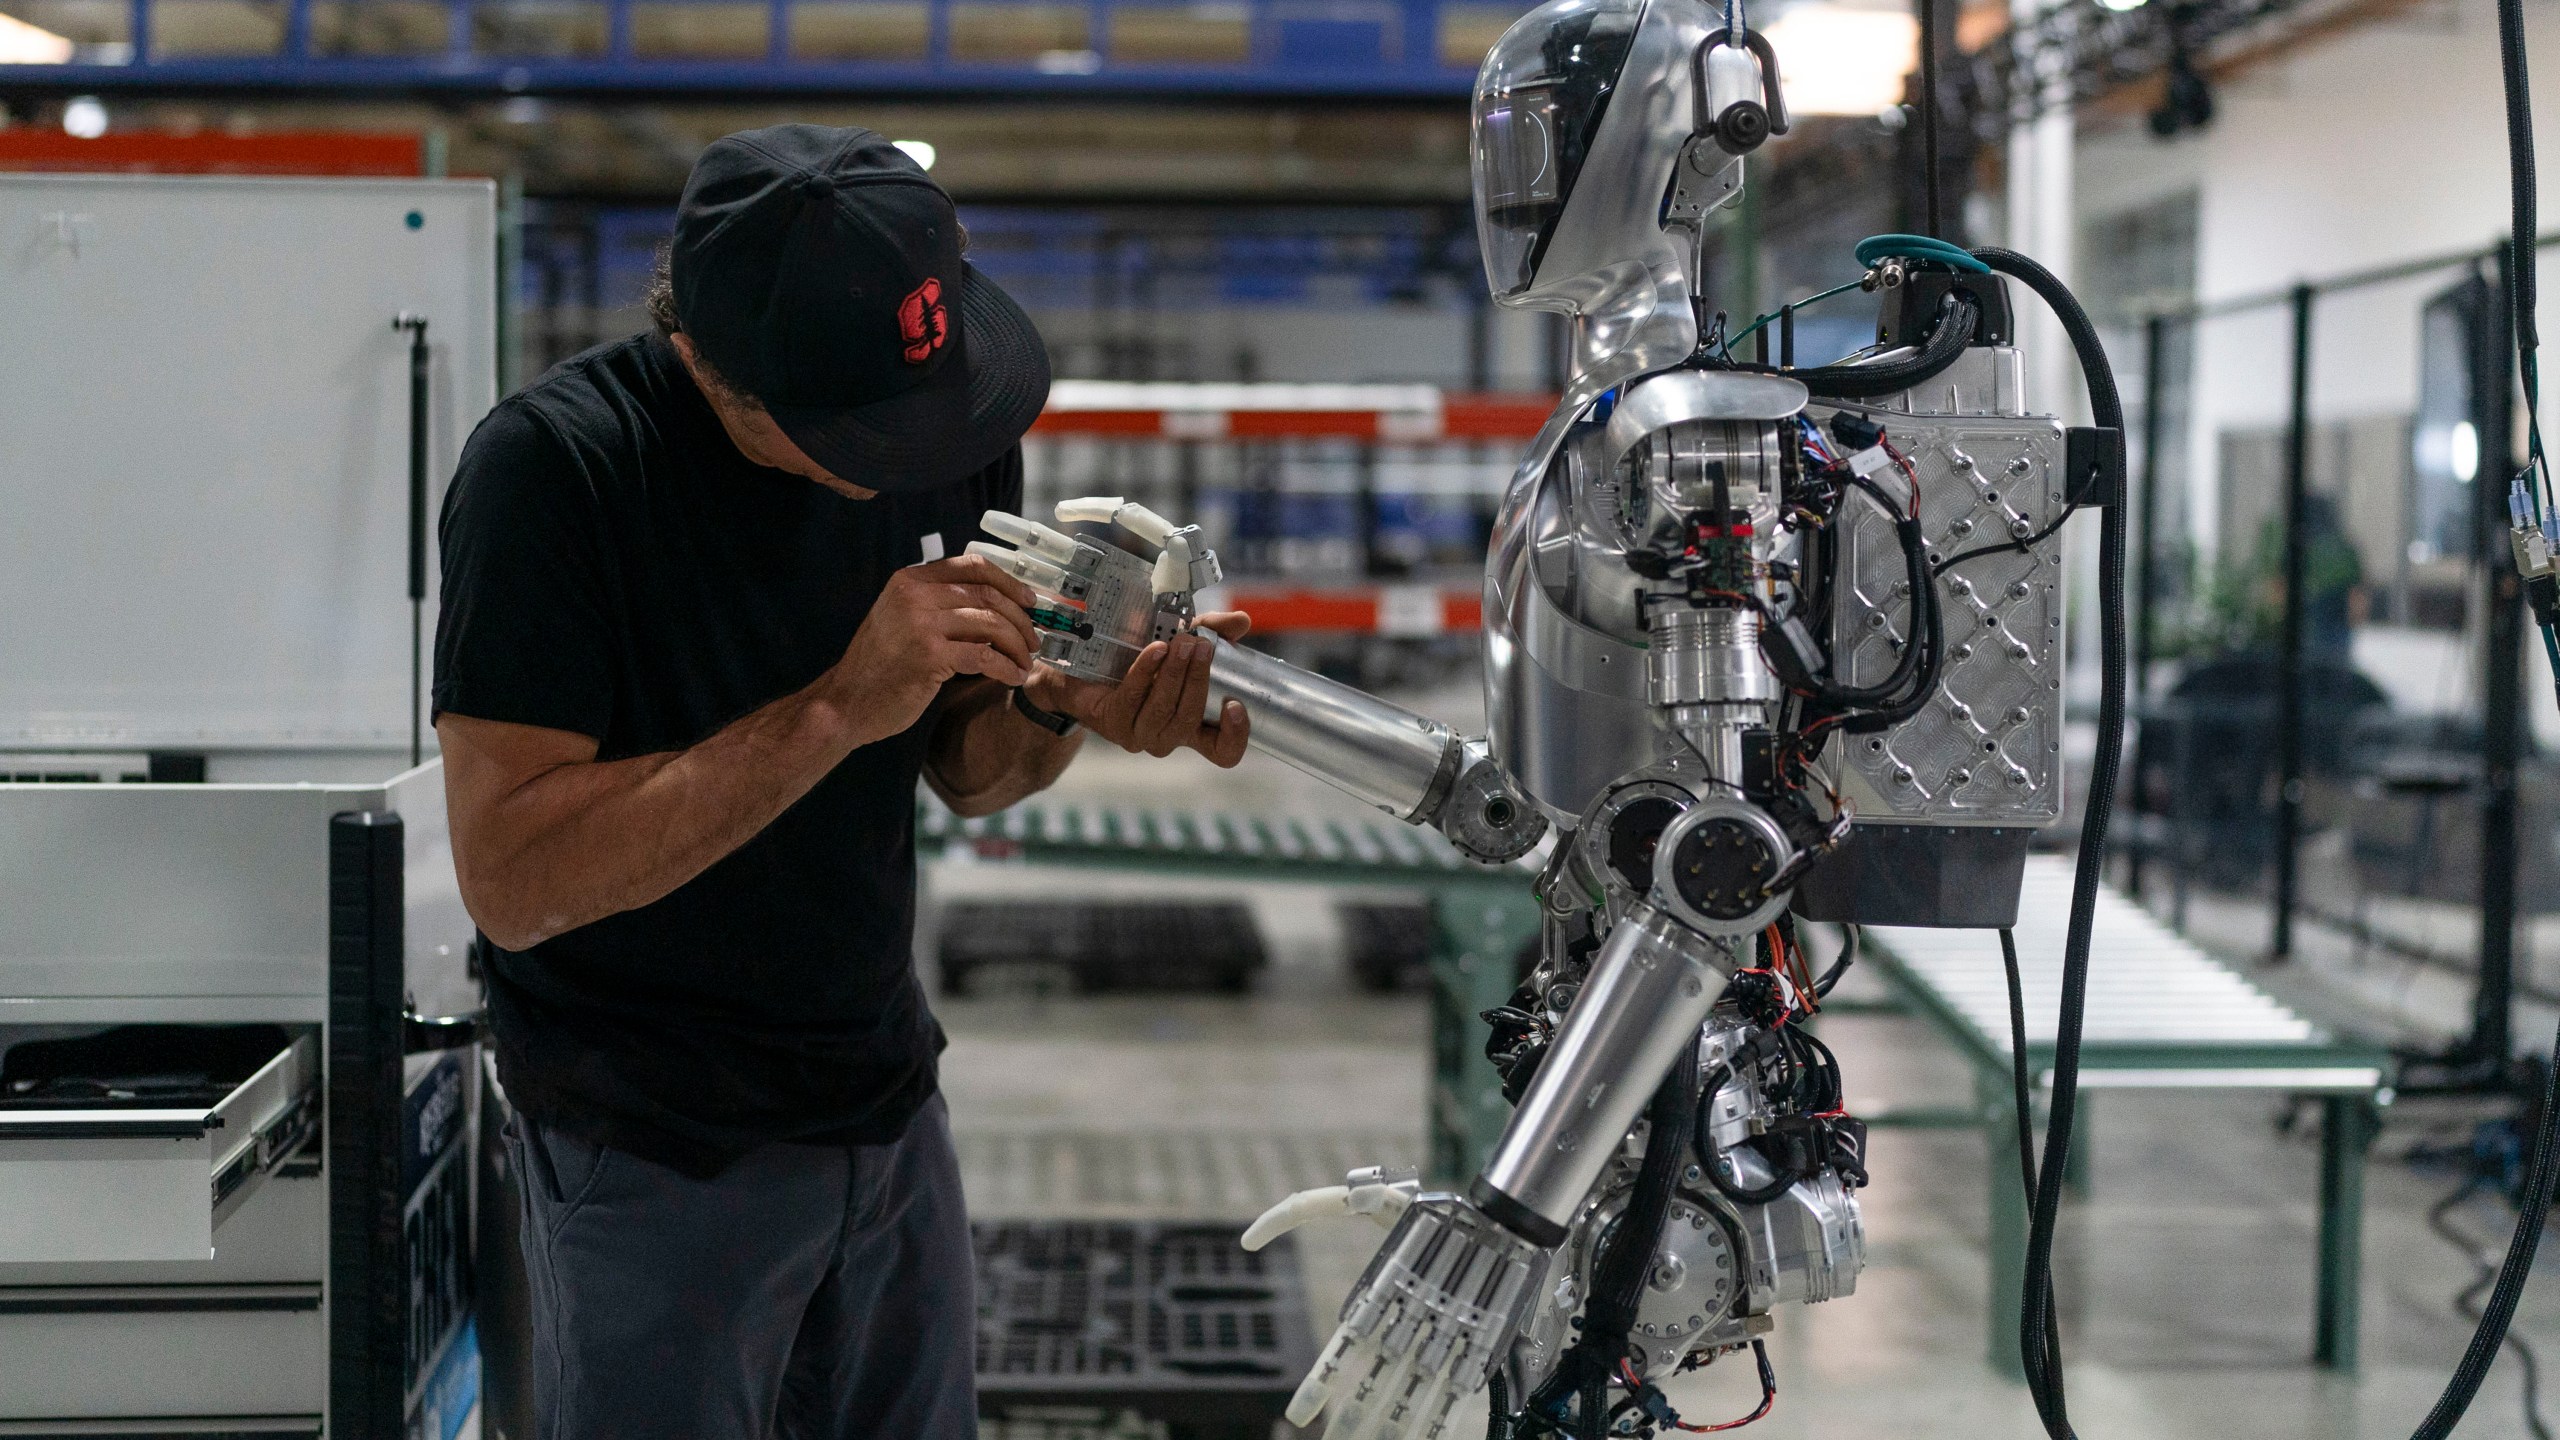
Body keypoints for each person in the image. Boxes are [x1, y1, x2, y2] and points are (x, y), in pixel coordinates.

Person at [431, 123, 1250, 1439]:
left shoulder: (944, 427)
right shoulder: (558, 477)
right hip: (645, 1141)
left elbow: (969, 771)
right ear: (709, 359)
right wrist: (834, 708)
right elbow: (516, 883)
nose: (919, 451)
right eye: (870, 425)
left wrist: (1060, 708)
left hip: (882, 1106)